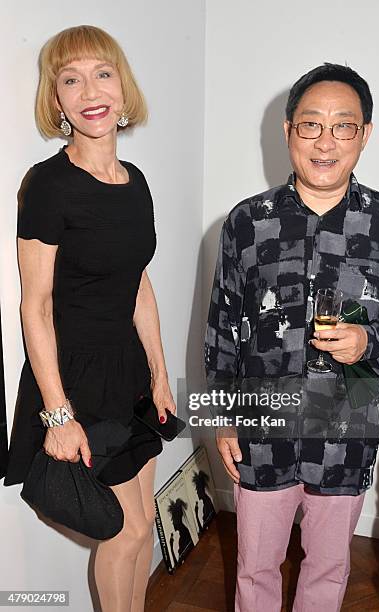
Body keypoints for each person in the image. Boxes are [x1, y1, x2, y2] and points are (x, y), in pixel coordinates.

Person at [205, 63, 379, 611]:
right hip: (263, 430)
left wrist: (369, 344)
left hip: (346, 433)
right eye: (311, 125)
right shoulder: (244, 223)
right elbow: (220, 328)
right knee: (254, 568)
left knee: (328, 570)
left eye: (343, 126)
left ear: (364, 134)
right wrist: (220, 418)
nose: (325, 142)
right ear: (288, 131)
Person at [3, 25, 175, 612]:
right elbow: (36, 306)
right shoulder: (48, 186)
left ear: (123, 89)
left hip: (127, 371)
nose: (89, 91)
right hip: (77, 378)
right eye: (70, 80)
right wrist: (57, 412)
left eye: (102, 74)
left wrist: (158, 371)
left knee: (143, 522)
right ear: (56, 102)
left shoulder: (136, 184)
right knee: (121, 533)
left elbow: (139, 283)